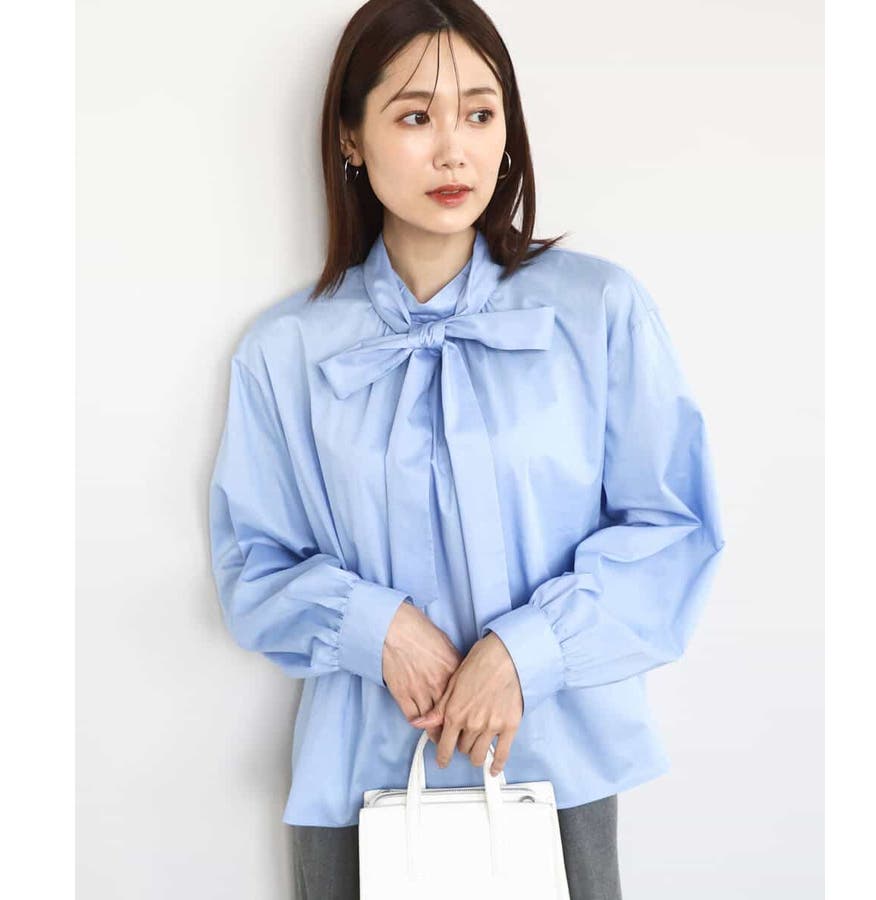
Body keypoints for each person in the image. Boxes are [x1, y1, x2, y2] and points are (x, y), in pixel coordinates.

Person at [207, 1, 726, 898]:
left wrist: (526, 651)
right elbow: (251, 566)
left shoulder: (597, 311)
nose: (454, 151)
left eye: (480, 115)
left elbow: (674, 528)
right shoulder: (285, 351)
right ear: (351, 138)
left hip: (553, 775)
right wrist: (378, 628)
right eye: (416, 117)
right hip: (359, 787)